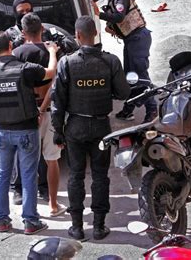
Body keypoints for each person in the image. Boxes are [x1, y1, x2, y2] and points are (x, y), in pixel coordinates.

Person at [51, 16, 130, 240]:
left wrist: (58, 130)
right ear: (95, 33)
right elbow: (124, 93)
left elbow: (58, 101)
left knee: (76, 175)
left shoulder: (67, 63)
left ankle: (77, 227)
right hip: (101, 127)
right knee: (100, 176)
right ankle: (98, 226)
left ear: (77, 35)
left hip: (75, 126)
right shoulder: (110, 61)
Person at [0, 31, 57, 235]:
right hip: (26, 130)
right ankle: (30, 221)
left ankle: (1, 219)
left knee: (2, 174)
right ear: (10, 45)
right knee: (28, 175)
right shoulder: (25, 69)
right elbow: (51, 72)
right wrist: (52, 51)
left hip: (2, 131)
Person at [13, 12, 67, 217]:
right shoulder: (52, 53)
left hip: (26, 114)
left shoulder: (16, 53)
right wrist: (43, 108)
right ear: (42, 29)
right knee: (52, 160)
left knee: (27, 162)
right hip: (49, 112)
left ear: (23, 31)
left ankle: (30, 209)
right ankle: (53, 205)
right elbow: (56, 85)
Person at [91, 0, 157, 123]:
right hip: (131, 40)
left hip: (138, 39)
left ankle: (152, 109)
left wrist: (98, 14)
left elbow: (119, 16)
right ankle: (129, 109)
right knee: (131, 77)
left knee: (140, 76)